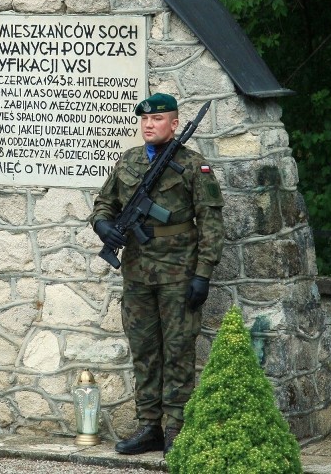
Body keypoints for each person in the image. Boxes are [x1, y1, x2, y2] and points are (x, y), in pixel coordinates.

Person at [90, 93, 224, 456]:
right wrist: (104, 226)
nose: (149, 125)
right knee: (145, 351)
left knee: (179, 350)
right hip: (137, 274)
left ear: (175, 124)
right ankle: (149, 425)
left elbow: (211, 223)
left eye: (159, 119)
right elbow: (104, 203)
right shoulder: (128, 161)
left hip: (179, 272)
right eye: (145, 120)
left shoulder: (194, 166)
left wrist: (203, 274)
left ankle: (177, 428)